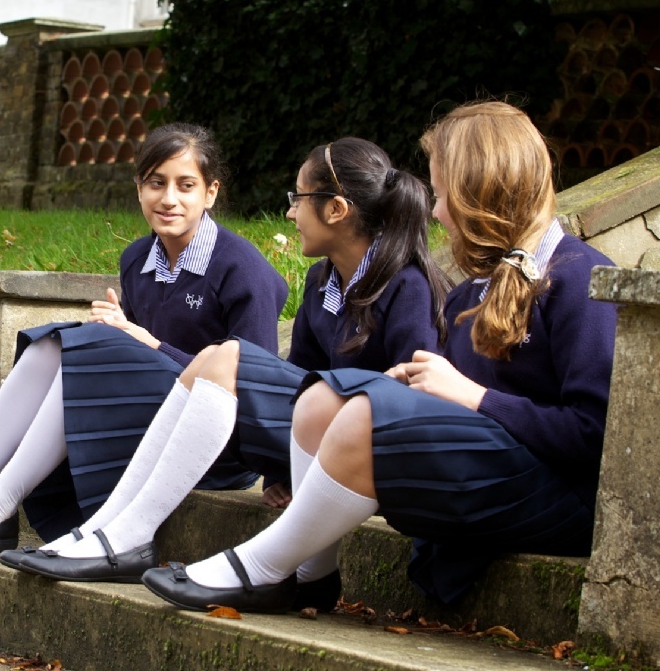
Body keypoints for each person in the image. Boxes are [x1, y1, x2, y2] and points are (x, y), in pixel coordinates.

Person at [140, 100, 617, 613]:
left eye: (442, 195)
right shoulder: (467, 295)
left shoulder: (582, 281)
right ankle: (310, 574)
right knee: (319, 399)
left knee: (361, 409)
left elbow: (597, 437)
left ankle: (262, 567)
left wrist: (472, 397)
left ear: (482, 193)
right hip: (483, 480)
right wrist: (415, 392)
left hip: (557, 499)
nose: (435, 212)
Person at [11, 137, 450, 596]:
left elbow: (409, 404)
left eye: (298, 199)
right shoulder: (322, 280)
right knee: (216, 355)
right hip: (315, 438)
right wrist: (282, 472)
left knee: (226, 354)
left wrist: (152, 345)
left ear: (336, 209)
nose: (290, 213)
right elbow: (301, 377)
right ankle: (111, 529)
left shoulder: (408, 287)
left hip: (369, 453)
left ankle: (126, 536)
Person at [0, 122, 290, 555]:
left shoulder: (242, 269)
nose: (169, 198)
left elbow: (254, 387)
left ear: (210, 193)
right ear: (139, 189)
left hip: (212, 449)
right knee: (51, 344)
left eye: (185, 185)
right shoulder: (137, 259)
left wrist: (145, 343)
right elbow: (139, 363)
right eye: (156, 183)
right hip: (149, 420)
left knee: (90, 350)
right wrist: (121, 335)